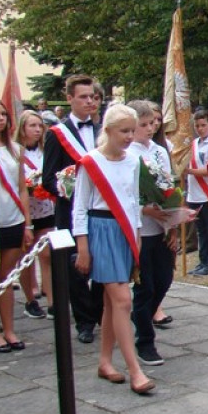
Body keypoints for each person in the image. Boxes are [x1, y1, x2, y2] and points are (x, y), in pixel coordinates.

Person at [72, 103, 155, 394]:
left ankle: (105, 361)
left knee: (111, 303)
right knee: (123, 301)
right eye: (124, 131)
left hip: (125, 234)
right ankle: (135, 369)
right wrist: (82, 245)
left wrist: (137, 233)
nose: (130, 136)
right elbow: (79, 207)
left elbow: (133, 200)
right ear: (107, 131)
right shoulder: (90, 162)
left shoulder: (133, 161)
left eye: (133, 130)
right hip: (100, 230)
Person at [42, 74, 104, 343]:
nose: (89, 101)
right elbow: (48, 179)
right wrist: (74, 188)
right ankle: (84, 321)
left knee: (102, 263)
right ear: (69, 99)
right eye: (83, 97)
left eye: (92, 96)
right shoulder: (58, 135)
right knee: (76, 268)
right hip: (70, 210)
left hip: (100, 210)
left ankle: (100, 312)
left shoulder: (103, 131)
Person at [0, 98, 33, 352]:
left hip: (13, 219)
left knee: (6, 278)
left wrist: (27, 223)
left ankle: (10, 329)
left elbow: (22, 187)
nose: (0, 118)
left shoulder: (15, 149)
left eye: (3, 114)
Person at [128, 100, 178, 367]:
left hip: (161, 228)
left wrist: (172, 224)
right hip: (140, 229)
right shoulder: (127, 154)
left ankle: (142, 317)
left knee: (164, 280)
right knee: (144, 286)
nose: (150, 128)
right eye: (144, 124)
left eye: (153, 123)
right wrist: (146, 211)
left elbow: (168, 188)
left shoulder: (160, 150)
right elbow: (124, 195)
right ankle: (145, 341)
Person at [16, 109, 56, 319]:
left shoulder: (45, 150)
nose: (37, 130)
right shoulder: (14, 152)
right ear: (22, 128)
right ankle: (30, 299)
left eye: (40, 126)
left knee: (47, 254)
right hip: (25, 211)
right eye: (32, 125)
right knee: (26, 256)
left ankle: (51, 300)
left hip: (45, 208)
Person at [185, 109, 208, 276]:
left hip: (207, 193)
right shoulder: (193, 144)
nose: (200, 129)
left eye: (203, 125)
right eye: (197, 126)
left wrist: (190, 171)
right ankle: (203, 260)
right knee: (201, 231)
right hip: (194, 194)